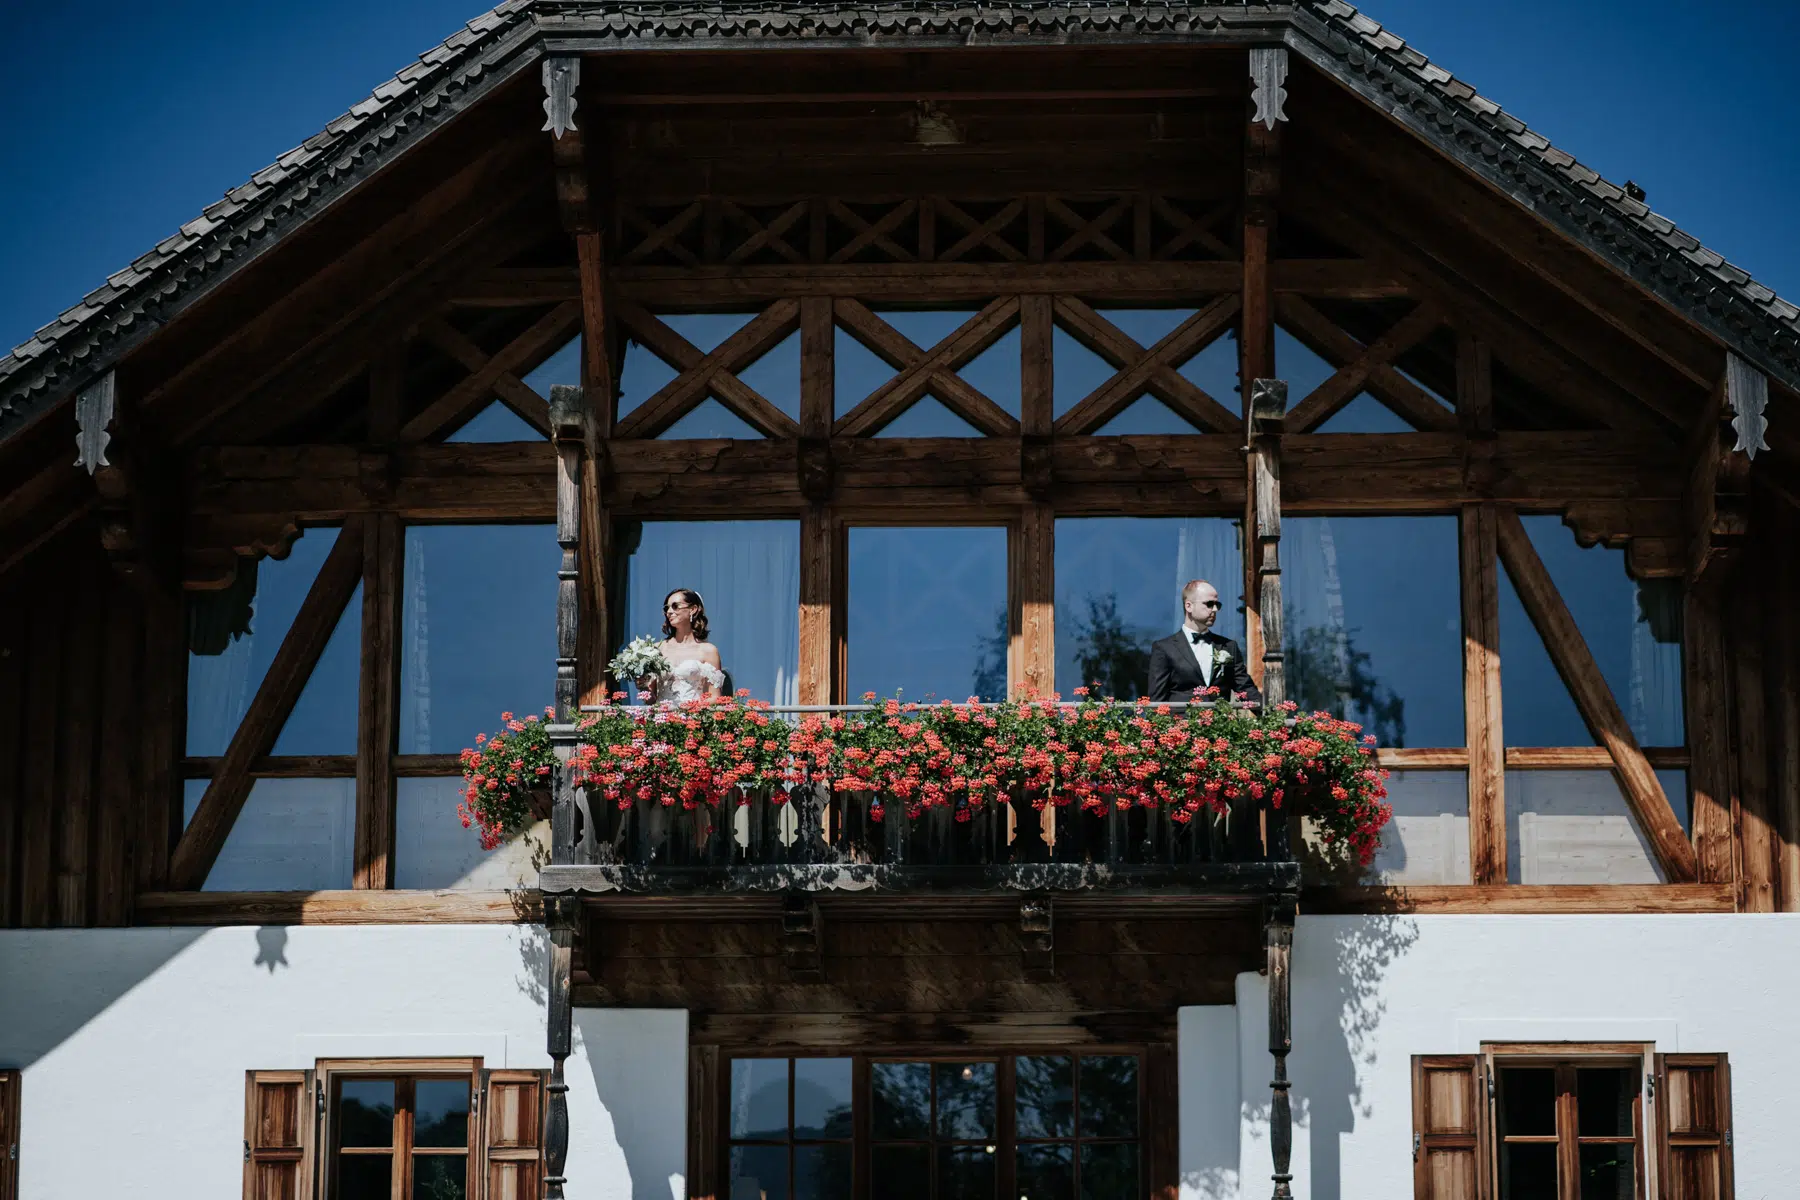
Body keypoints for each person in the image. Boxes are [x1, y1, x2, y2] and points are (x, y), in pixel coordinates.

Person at [1147, 579, 1261, 704]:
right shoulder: (1164, 648)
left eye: (1217, 605)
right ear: (1188, 606)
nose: (1215, 609)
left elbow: (1245, 689)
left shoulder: (1228, 646)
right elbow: (1157, 700)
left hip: (1220, 722)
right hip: (1181, 721)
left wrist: (1271, 717)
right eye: (1209, 604)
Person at [644, 588, 726, 702]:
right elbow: (650, 699)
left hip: (694, 717)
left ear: (693, 609)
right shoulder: (657, 649)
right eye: (666, 608)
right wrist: (642, 685)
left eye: (675, 606)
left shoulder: (708, 651)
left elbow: (715, 697)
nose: (669, 612)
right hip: (661, 717)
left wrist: (691, 709)